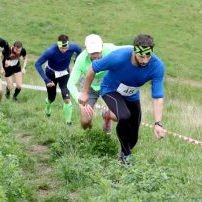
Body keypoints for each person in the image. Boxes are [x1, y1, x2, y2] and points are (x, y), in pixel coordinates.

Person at [79, 34, 166, 164]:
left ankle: (124, 150)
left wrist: (158, 123)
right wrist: (85, 92)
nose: (145, 60)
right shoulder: (118, 57)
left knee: (133, 135)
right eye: (141, 56)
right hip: (110, 90)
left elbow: (158, 96)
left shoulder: (157, 66)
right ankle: (124, 158)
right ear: (134, 52)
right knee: (124, 116)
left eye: (148, 56)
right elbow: (92, 68)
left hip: (132, 95)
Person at [67, 34, 130, 132]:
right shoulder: (81, 59)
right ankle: (91, 134)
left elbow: (130, 48)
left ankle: (107, 116)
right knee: (85, 122)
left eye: (97, 52)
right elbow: (70, 83)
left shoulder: (110, 50)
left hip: (108, 86)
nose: (95, 56)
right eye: (92, 53)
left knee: (118, 116)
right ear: (87, 50)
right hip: (90, 88)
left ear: (102, 47)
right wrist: (79, 98)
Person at [35, 34, 82, 126]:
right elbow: (37, 64)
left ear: (68, 45)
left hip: (64, 74)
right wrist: (46, 80)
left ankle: (68, 122)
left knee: (67, 98)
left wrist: (76, 60)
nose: (64, 50)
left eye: (66, 48)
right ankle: (47, 110)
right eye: (61, 48)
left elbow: (80, 52)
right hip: (51, 74)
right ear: (58, 45)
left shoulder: (73, 47)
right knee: (51, 98)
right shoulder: (50, 51)